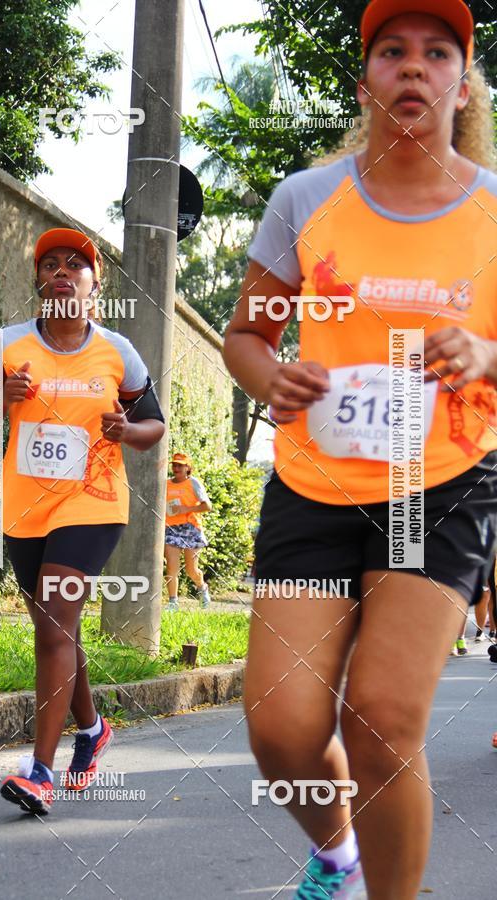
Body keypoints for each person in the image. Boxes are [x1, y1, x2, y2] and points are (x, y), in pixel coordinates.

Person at [224, 2, 497, 897]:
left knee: (380, 722)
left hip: (442, 482)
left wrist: (484, 352)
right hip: (314, 482)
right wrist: (270, 380)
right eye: (392, 53)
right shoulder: (307, 199)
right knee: (282, 727)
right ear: (366, 81)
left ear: (464, 86)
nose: (413, 68)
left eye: (436, 54)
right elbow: (247, 336)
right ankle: (336, 850)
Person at [0, 227, 165, 814]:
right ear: (39, 282)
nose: (63, 271)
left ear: (95, 285)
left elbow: (155, 426)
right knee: (57, 627)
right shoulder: (4, 346)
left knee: (52, 624)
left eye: (76, 264)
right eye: (50, 264)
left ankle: (39, 770)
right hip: (24, 506)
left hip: (93, 503)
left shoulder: (119, 353)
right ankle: (92, 729)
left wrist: (127, 431)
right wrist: (0, 399)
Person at [164, 452, 212, 611]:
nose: (176, 468)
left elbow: (207, 506)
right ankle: (173, 602)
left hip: (191, 528)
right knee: (172, 567)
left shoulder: (193, 483)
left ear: (187, 467)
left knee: (192, 570)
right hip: (170, 529)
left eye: (180, 465)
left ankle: (202, 588)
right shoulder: (165, 484)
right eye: (174, 464)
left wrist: (187, 509)